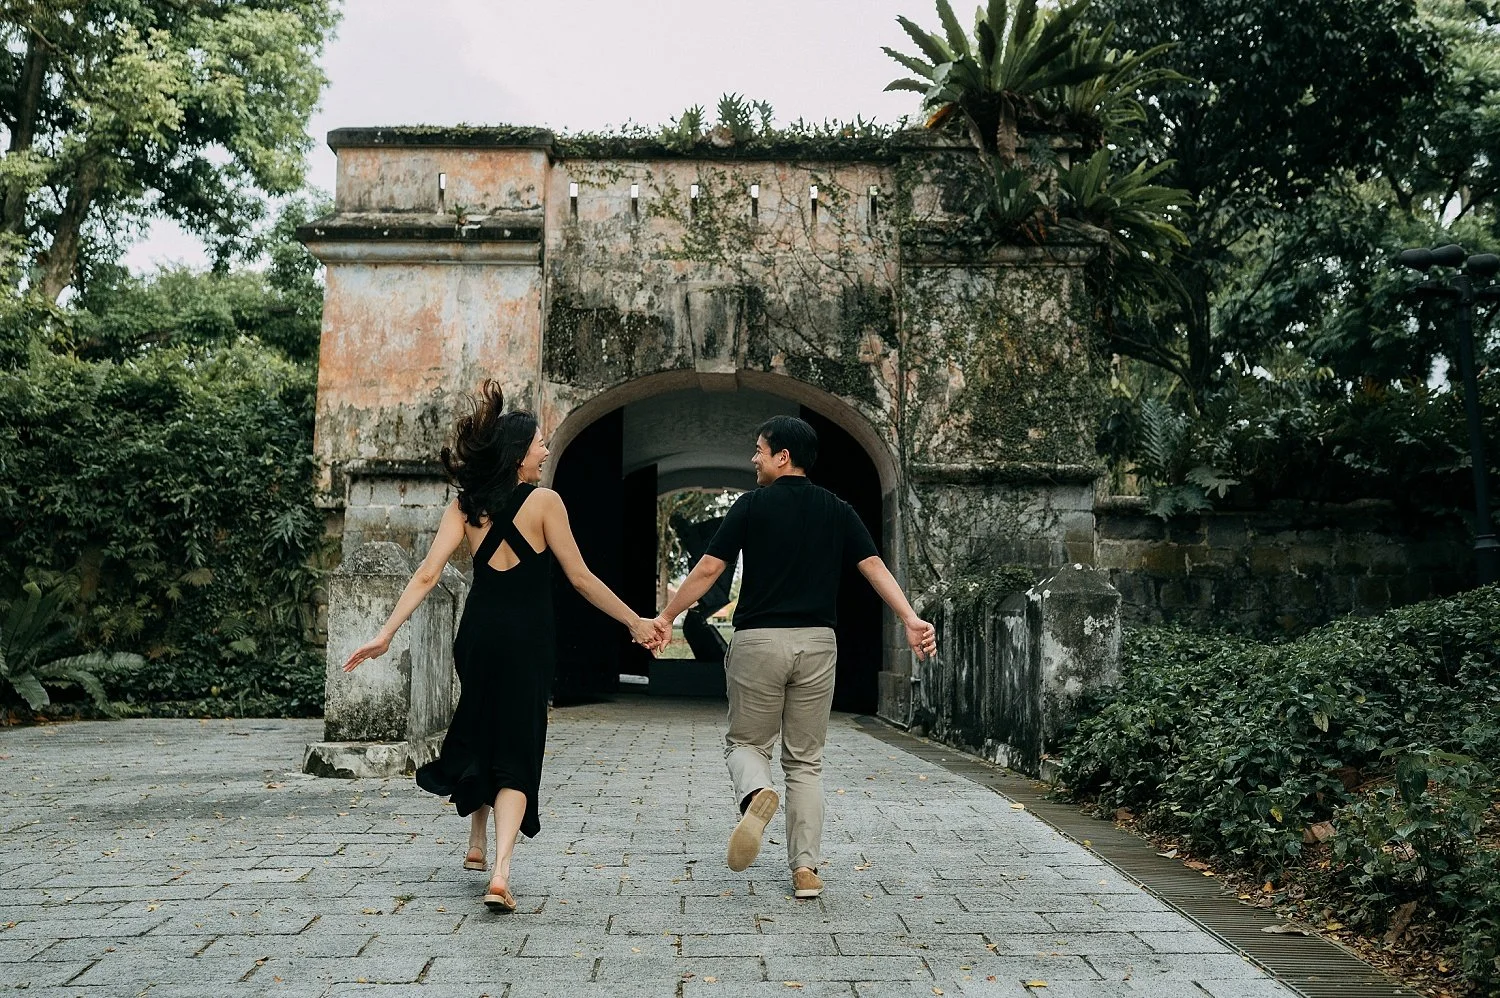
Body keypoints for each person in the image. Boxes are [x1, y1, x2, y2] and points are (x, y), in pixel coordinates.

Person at [342, 382, 662, 913]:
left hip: (479, 636)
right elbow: (580, 578)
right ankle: (501, 872)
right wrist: (633, 621)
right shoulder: (545, 502)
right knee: (518, 745)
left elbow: (426, 574)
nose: (544, 452)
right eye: (539, 444)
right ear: (519, 454)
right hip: (528, 639)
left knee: (483, 723)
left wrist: (385, 633)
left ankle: (474, 843)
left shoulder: (465, 507)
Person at [652, 415, 937, 900]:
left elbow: (707, 570)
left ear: (783, 456)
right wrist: (911, 619)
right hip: (818, 644)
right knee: (806, 762)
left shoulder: (751, 506)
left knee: (746, 744)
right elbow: (873, 567)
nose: (753, 459)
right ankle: (806, 869)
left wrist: (665, 616)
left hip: (760, 641)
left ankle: (755, 793)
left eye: (759, 450)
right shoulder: (837, 509)